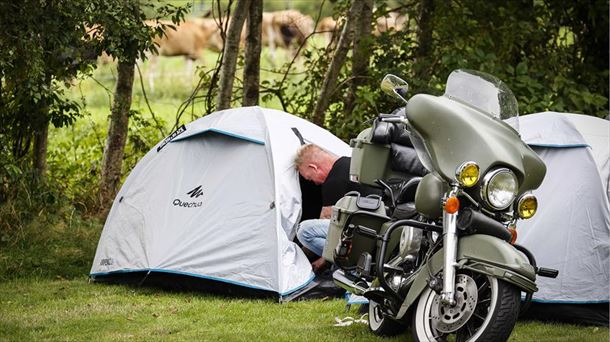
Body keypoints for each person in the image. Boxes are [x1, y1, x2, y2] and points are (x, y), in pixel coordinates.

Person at [294, 144, 380, 273]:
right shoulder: (350, 163)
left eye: (310, 178)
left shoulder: (333, 181)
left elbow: (331, 231)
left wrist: (306, 258)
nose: (314, 183)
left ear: (314, 167)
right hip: (376, 230)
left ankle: (349, 264)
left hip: (358, 235)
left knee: (304, 230)